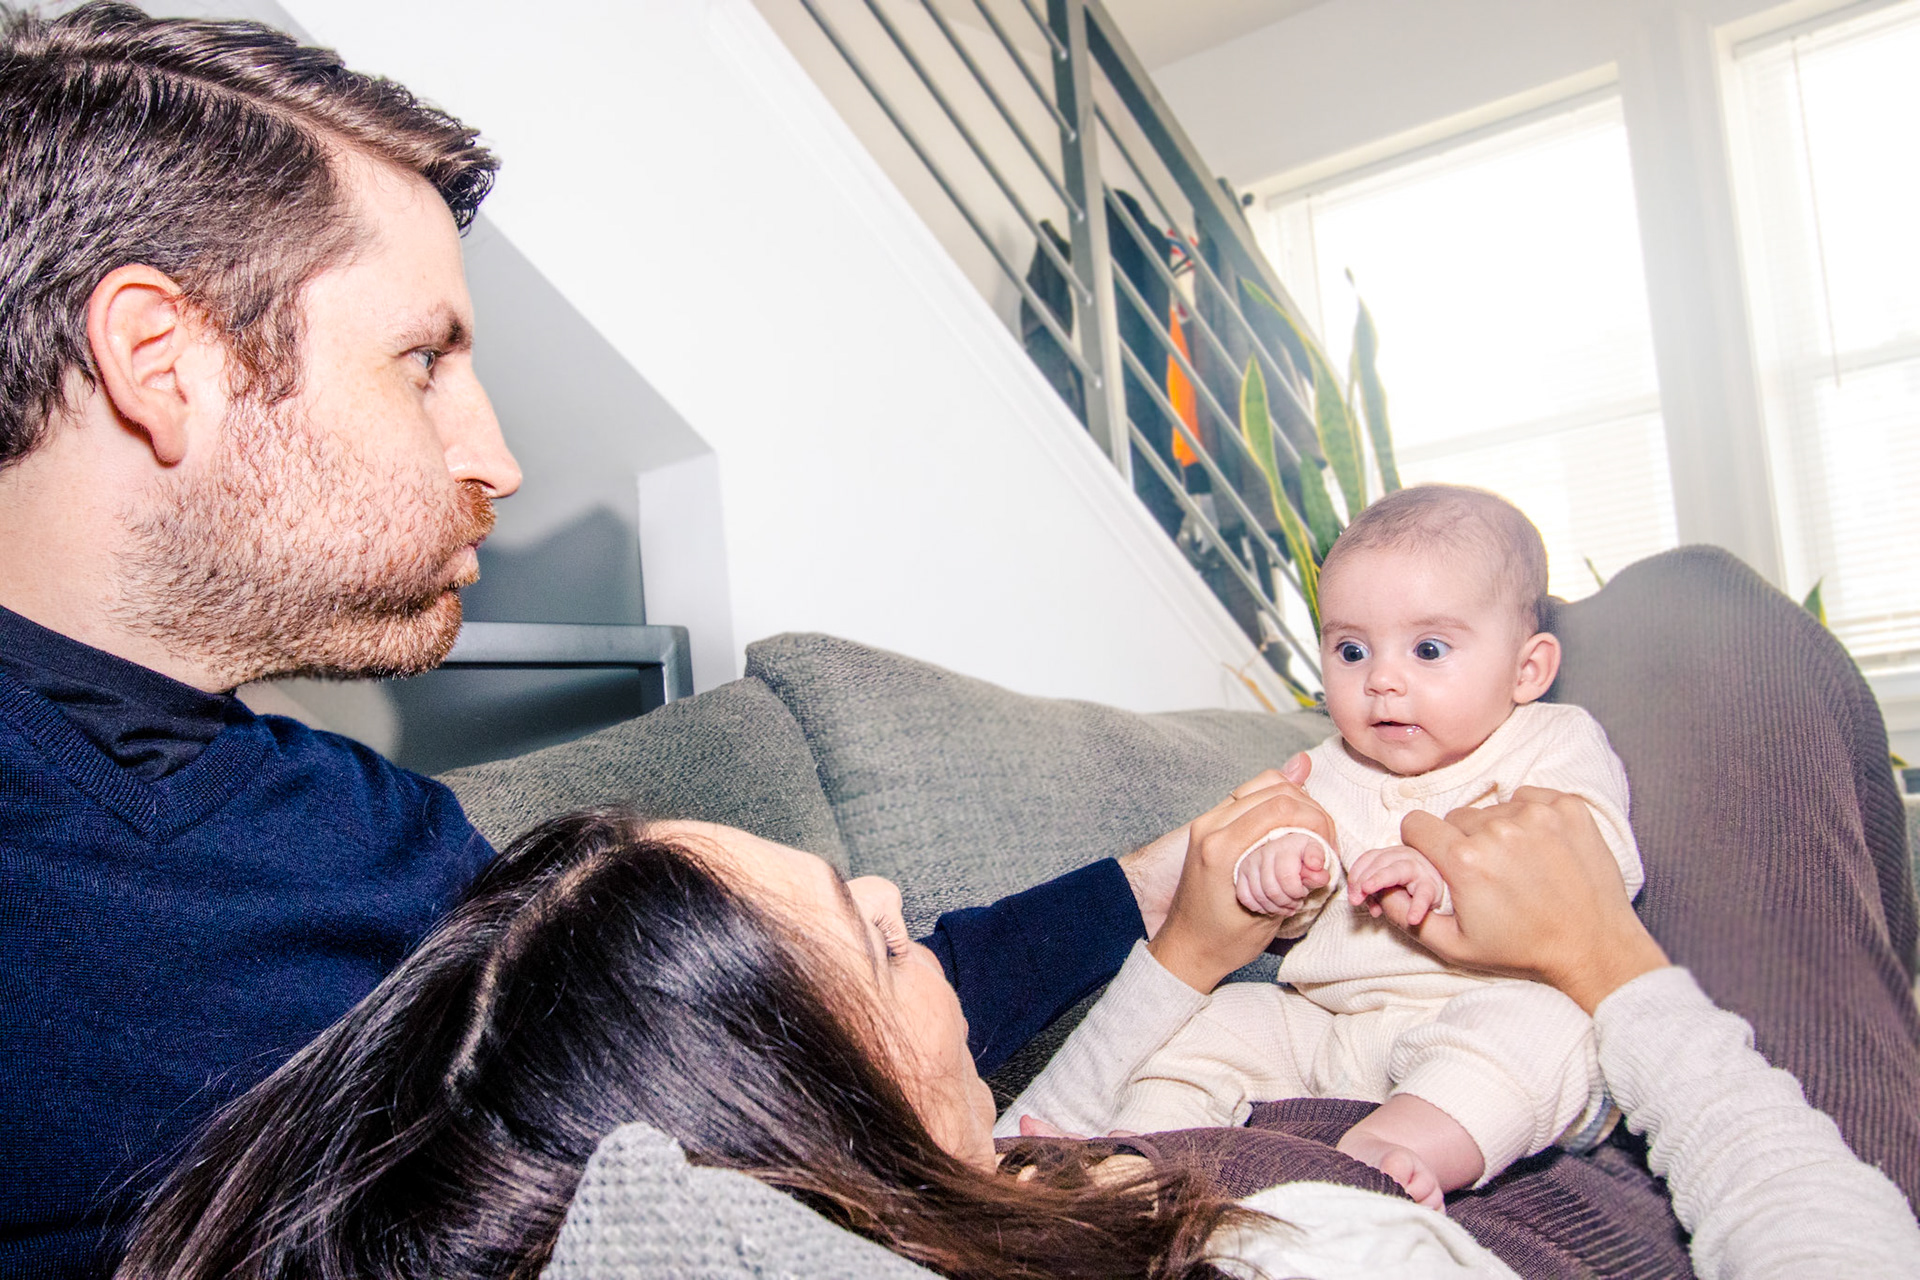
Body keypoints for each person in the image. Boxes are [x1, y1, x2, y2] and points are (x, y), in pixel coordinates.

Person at [0, 6, 1256, 1274]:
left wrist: (1143, 888)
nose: (497, 458)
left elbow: (772, 1049)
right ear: (161, 361)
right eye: (423, 360)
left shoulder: (356, 820)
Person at [112, 793, 1920, 1280]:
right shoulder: (1302, 1264)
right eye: (883, 937)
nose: (905, 899)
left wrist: (1185, 950)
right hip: (1664, 1193)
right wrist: (1612, 960)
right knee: (1713, 636)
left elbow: (1002, 1158)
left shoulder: (938, 1208)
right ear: (809, 1121)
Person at [1014, 485, 1643, 1207]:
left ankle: (1392, 1156)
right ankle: (1140, 1162)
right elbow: (1291, 889)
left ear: (1527, 669)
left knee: (1550, 1030)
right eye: (1351, 650)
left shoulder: (1551, 742)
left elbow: (1598, 863)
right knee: (1212, 1024)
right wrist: (1279, 872)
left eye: (1429, 649)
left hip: (1483, 1004)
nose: (1382, 680)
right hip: (1333, 1026)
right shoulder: (1327, 766)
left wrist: (1445, 870)